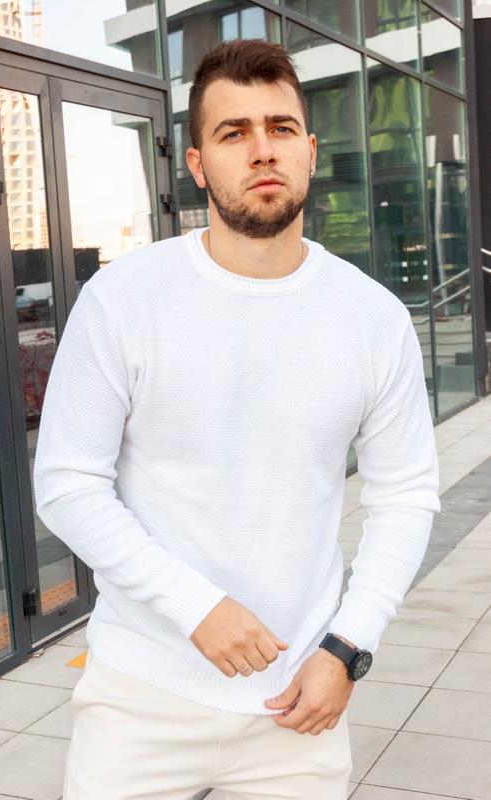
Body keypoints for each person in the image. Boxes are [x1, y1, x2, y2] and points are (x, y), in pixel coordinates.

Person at [33, 38, 441, 800]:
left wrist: (349, 647)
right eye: (233, 132)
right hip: (140, 698)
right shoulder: (124, 301)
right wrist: (197, 609)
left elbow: (407, 496)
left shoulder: (372, 320)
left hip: (298, 704)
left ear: (310, 150)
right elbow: (66, 484)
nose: (262, 150)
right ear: (196, 164)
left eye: (281, 128)